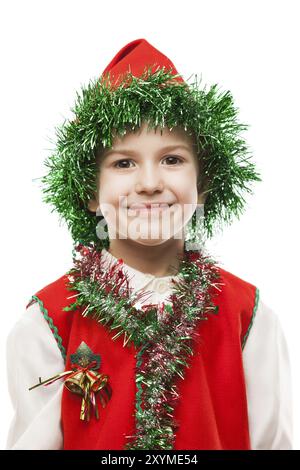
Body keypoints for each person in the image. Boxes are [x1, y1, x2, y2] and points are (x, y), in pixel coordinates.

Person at [6, 38, 293, 450]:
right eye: (123, 163)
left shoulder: (248, 315)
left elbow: (273, 440)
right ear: (89, 190)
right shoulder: (49, 321)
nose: (150, 183)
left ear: (204, 182)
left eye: (172, 159)